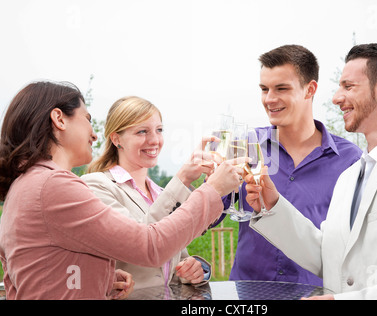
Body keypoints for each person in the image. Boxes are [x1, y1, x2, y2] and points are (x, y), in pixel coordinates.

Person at [0, 81, 244, 300]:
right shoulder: (54, 186)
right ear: (59, 119)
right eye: (86, 119)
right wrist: (212, 190)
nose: (94, 133)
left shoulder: (29, 183)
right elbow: (150, 246)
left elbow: (37, 270)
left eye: (159, 130)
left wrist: (101, 278)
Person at [247, 43, 377, 299]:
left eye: (348, 86)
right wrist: (273, 204)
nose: (335, 98)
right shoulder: (350, 176)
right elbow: (331, 259)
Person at [223, 45, 361, 286]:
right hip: (250, 298)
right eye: (264, 89)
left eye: (281, 89)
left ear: (310, 89)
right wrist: (206, 184)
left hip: (315, 293)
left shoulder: (350, 160)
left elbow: (356, 243)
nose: (269, 99)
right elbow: (206, 216)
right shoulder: (246, 146)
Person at [82, 96, 215, 289]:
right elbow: (138, 244)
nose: (154, 140)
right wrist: (183, 179)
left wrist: (193, 269)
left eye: (159, 130)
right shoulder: (96, 186)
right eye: (142, 131)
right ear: (116, 138)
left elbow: (175, 258)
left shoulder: (161, 194)